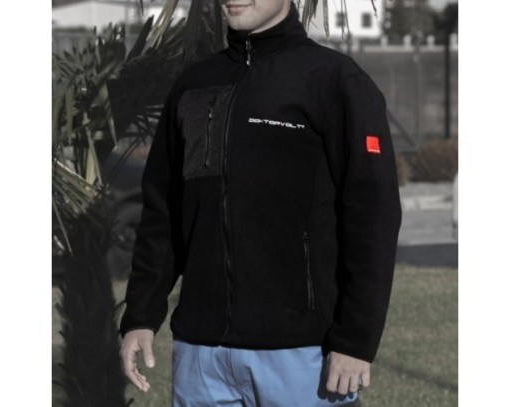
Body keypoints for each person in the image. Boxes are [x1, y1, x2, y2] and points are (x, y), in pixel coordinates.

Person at [119, 0, 402, 405]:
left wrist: (356, 340)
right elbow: (163, 212)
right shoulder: (194, 85)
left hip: (303, 353)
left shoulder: (335, 81)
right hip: (201, 355)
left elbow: (373, 218)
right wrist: (140, 316)